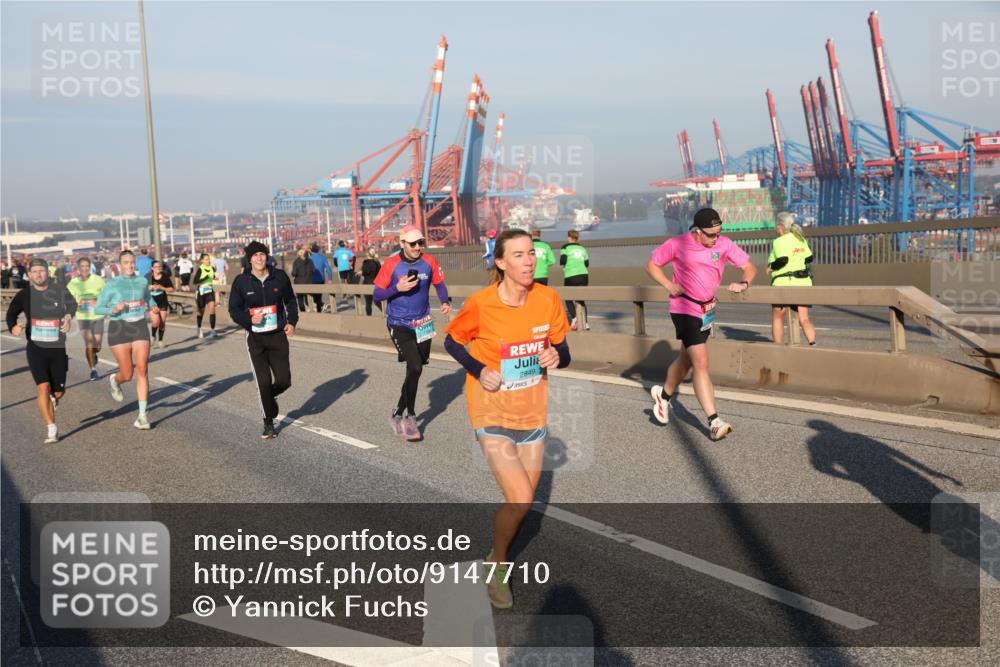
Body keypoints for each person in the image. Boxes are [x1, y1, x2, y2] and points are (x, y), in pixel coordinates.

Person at [443, 229, 571, 608]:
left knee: (523, 506)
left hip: (532, 409)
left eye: (532, 253)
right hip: (490, 407)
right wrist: (480, 369)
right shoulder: (482, 304)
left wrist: (556, 358)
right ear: (500, 262)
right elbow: (452, 340)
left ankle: (492, 557)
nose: (529, 261)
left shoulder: (547, 298)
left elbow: (563, 349)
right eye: (518, 255)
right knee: (520, 497)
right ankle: (498, 568)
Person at [645, 207, 757, 441]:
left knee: (686, 359)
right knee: (701, 362)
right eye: (710, 234)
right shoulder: (678, 244)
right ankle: (714, 421)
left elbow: (749, 266)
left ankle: (663, 397)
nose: (715, 238)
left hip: (707, 309)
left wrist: (743, 283)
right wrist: (668, 285)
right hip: (684, 307)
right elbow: (652, 265)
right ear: (697, 231)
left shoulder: (723, 244)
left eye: (718, 233)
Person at [373, 225, 452, 441]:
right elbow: (377, 295)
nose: (418, 247)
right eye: (413, 243)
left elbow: (440, 284)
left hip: (423, 322)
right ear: (402, 244)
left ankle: (397, 412)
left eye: (421, 243)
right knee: (415, 366)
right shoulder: (391, 264)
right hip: (399, 323)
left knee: (415, 370)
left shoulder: (429, 262)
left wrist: (445, 301)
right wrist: (397, 288)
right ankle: (410, 417)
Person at [228, 241, 298, 439]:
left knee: (284, 380)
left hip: (277, 336)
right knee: (263, 382)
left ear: (267, 256)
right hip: (255, 338)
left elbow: (291, 301)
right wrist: (249, 319)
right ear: (249, 259)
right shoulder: (241, 281)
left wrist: (292, 322)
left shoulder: (279, 277)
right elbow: (234, 310)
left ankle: (269, 395)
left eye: (262, 254)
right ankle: (269, 423)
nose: (259, 258)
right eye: (255, 255)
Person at [6, 257, 77, 443]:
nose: (38, 274)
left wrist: (68, 317)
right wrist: (12, 326)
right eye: (34, 272)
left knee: (59, 392)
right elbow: (11, 312)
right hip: (36, 348)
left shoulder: (59, 290)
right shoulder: (24, 294)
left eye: (41, 271)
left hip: (57, 347)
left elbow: (72, 304)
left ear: (48, 273)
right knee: (42, 387)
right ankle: (51, 427)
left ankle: (54, 398)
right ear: (29, 275)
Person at [95, 249, 161, 430]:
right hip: (119, 328)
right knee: (127, 373)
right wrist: (113, 310)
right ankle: (115, 381)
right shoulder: (112, 284)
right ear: (120, 265)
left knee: (142, 369)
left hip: (139, 325)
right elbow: (98, 308)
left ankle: (142, 416)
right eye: (126, 262)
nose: (130, 265)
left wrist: (154, 309)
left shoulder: (142, 281)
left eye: (132, 262)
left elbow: (149, 300)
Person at [768, 212, 817, 346]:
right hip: (803, 282)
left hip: (783, 282)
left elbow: (783, 260)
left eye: (775, 227)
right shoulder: (800, 238)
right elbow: (809, 258)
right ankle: (813, 345)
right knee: (804, 318)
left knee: (778, 316)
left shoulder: (779, 241)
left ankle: (778, 348)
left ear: (780, 226)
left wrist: (770, 267)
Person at [66, 256, 106, 380]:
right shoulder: (73, 283)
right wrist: (76, 304)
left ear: (90, 267)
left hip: (98, 315)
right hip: (83, 316)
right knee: (89, 343)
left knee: (97, 346)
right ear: (78, 268)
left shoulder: (98, 280)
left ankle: (94, 353)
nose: (85, 269)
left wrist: (97, 301)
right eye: (82, 266)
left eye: (87, 266)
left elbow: (106, 295)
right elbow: (67, 299)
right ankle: (93, 370)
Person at [560, 229, 590, 330]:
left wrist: (565, 265)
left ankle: (574, 317)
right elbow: (586, 263)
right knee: (581, 299)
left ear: (569, 237)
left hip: (571, 275)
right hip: (583, 275)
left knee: (568, 297)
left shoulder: (565, 247)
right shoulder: (582, 248)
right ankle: (585, 322)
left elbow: (563, 260)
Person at [147, 260, 175, 348]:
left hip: (162, 300)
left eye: (159, 267)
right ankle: (152, 336)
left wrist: (161, 287)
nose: (158, 268)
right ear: (152, 268)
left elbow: (172, 289)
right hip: (152, 300)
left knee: (162, 322)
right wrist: (149, 287)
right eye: (156, 267)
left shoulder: (165, 276)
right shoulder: (148, 277)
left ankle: (160, 341)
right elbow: (142, 289)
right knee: (155, 321)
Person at [190, 253, 217, 338]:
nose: (207, 261)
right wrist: (207, 277)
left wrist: (214, 277)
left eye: (208, 259)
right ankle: (199, 328)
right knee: (201, 312)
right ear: (202, 260)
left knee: (212, 309)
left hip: (209, 290)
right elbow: (195, 281)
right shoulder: (200, 269)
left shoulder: (212, 268)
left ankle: (213, 331)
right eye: (205, 259)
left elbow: (213, 277)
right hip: (201, 292)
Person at [309, 242, 334, 313]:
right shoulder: (322, 257)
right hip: (321, 280)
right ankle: (319, 310)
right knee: (319, 296)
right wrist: (330, 279)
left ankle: (318, 308)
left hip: (312, 280)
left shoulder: (309, 258)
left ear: (311, 250)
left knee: (314, 297)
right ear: (318, 250)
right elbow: (328, 269)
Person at [359, 247, 382, 316]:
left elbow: (365, 272)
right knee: (377, 301)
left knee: (368, 303)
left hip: (367, 283)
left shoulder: (366, 263)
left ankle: (369, 317)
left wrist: (361, 272)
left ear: (367, 254)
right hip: (376, 284)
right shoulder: (377, 263)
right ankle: (386, 313)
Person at [291, 247, 314, 314]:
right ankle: (310, 309)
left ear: (299, 254)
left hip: (299, 283)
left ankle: (303, 312)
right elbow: (313, 270)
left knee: (300, 298)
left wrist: (293, 274)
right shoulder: (310, 261)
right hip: (309, 282)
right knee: (308, 297)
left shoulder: (296, 262)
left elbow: (294, 273)